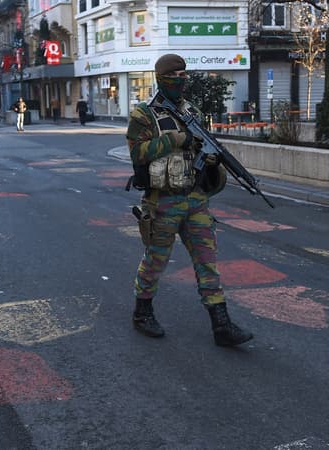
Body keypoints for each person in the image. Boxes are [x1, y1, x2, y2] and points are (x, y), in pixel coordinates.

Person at [125, 53, 253, 347]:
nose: (182, 82)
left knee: (207, 262)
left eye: (185, 76)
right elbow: (138, 154)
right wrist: (176, 139)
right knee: (156, 260)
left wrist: (207, 160)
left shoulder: (190, 110)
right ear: (161, 79)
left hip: (195, 198)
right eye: (176, 77)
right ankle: (142, 312)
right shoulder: (143, 115)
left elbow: (199, 148)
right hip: (163, 201)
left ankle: (221, 324)